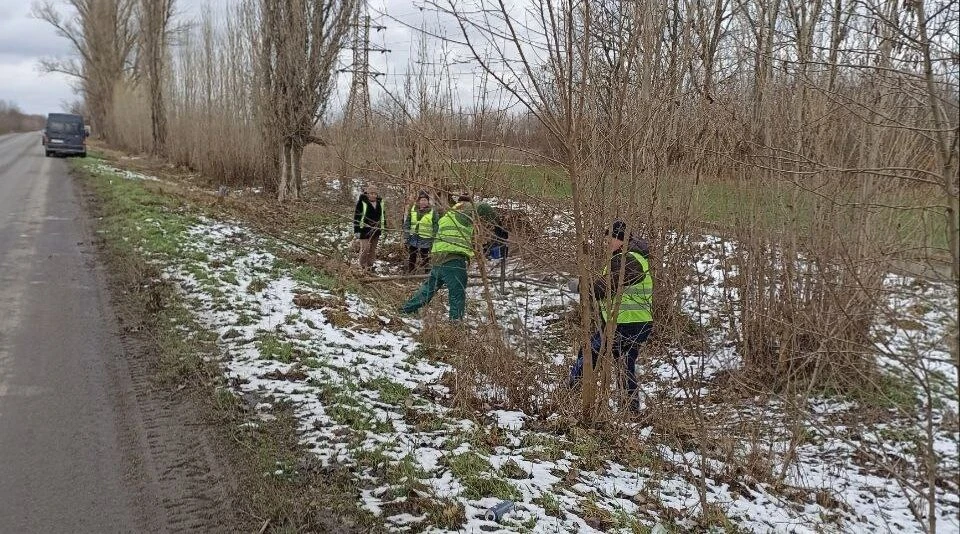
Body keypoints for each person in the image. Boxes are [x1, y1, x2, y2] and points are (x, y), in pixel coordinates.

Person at [568, 220, 653, 412]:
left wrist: (580, 287)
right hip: (629, 322)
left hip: (627, 324)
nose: (606, 242)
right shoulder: (629, 257)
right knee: (621, 364)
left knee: (593, 354)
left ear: (620, 240)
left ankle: (569, 392)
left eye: (610, 239)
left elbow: (606, 287)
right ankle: (630, 409)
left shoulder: (628, 260)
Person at [401, 192, 497, 321]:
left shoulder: (450, 214)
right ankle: (455, 325)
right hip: (453, 260)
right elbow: (484, 207)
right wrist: (499, 225)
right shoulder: (464, 210)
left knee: (428, 289)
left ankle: (406, 309)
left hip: (438, 258)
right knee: (457, 293)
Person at [353, 184, 386, 271]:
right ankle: (362, 265)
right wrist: (356, 230)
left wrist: (383, 227)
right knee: (365, 248)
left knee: (372, 249)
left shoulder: (380, 203)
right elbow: (357, 216)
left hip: (376, 229)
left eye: (375, 194)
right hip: (364, 229)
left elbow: (383, 215)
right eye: (371, 193)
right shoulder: (362, 202)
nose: (373, 195)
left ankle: (370, 266)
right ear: (367, 194)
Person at [403, 191, 436, 273]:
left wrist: (434, 236)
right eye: (421, 200)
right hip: (413, 236)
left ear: (428, 201)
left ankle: (427, 272)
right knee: (412, 254)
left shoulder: (432, 211)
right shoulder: (413, 209)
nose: (423, 202)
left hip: (426, 237)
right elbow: (407, 222)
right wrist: (406, 235)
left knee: (425, 255)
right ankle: (411, 271)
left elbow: (436, 224)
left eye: (425, 200)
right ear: (419, 201)